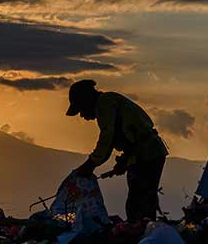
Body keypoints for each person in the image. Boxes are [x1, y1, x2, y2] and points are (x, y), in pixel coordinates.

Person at [66, 79, 168, 222]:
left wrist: (90, 165)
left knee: (139, 202)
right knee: (141, 200)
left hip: (147, 153)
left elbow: (107, 139)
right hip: (146, 153)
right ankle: (144, 231)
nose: (82, 116)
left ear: (87, 100)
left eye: (81, 109)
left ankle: (142, 233)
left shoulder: (105, 103)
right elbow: (126, 137)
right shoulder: (109, 102)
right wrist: (124, 161)